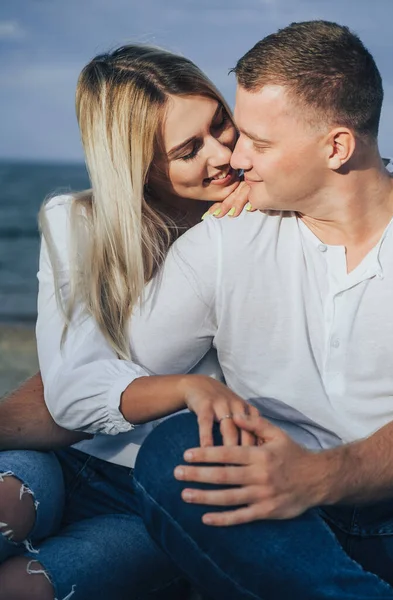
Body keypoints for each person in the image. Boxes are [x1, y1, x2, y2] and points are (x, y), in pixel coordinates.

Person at [119, 20, 393, 599]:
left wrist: (319, 478)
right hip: (277, 523)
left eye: (259, 143)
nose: (234, 158)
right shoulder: (225, 239)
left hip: (388, 511)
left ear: (337, 147)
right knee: (176, 452)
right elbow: (112, 372)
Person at [0, 44, 258, 600]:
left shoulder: (255, 219)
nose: (223, 153)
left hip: (162, 491)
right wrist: (187, 388)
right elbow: (71, 391)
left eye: (222, 125)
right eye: (190, 148)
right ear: (140, 167)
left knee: (23, 588)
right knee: (4, 510)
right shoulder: (78, 222)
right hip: (65, 458)